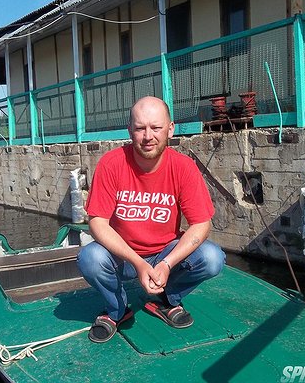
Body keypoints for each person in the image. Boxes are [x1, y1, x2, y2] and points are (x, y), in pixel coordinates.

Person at [77, 96, 225, 343]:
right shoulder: (110, 164)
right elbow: (97, 222)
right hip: (123, 256)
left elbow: (201, 223)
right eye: (140, 128)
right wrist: (138, 263)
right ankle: (117, 311)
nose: (148, 136)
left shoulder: (184, 167)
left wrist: (166, 264)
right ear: (129, 131)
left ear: (170, 128)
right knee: (90, 258)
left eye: (156, 127)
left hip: (165, 253)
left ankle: (167, 299)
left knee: (212, 258)